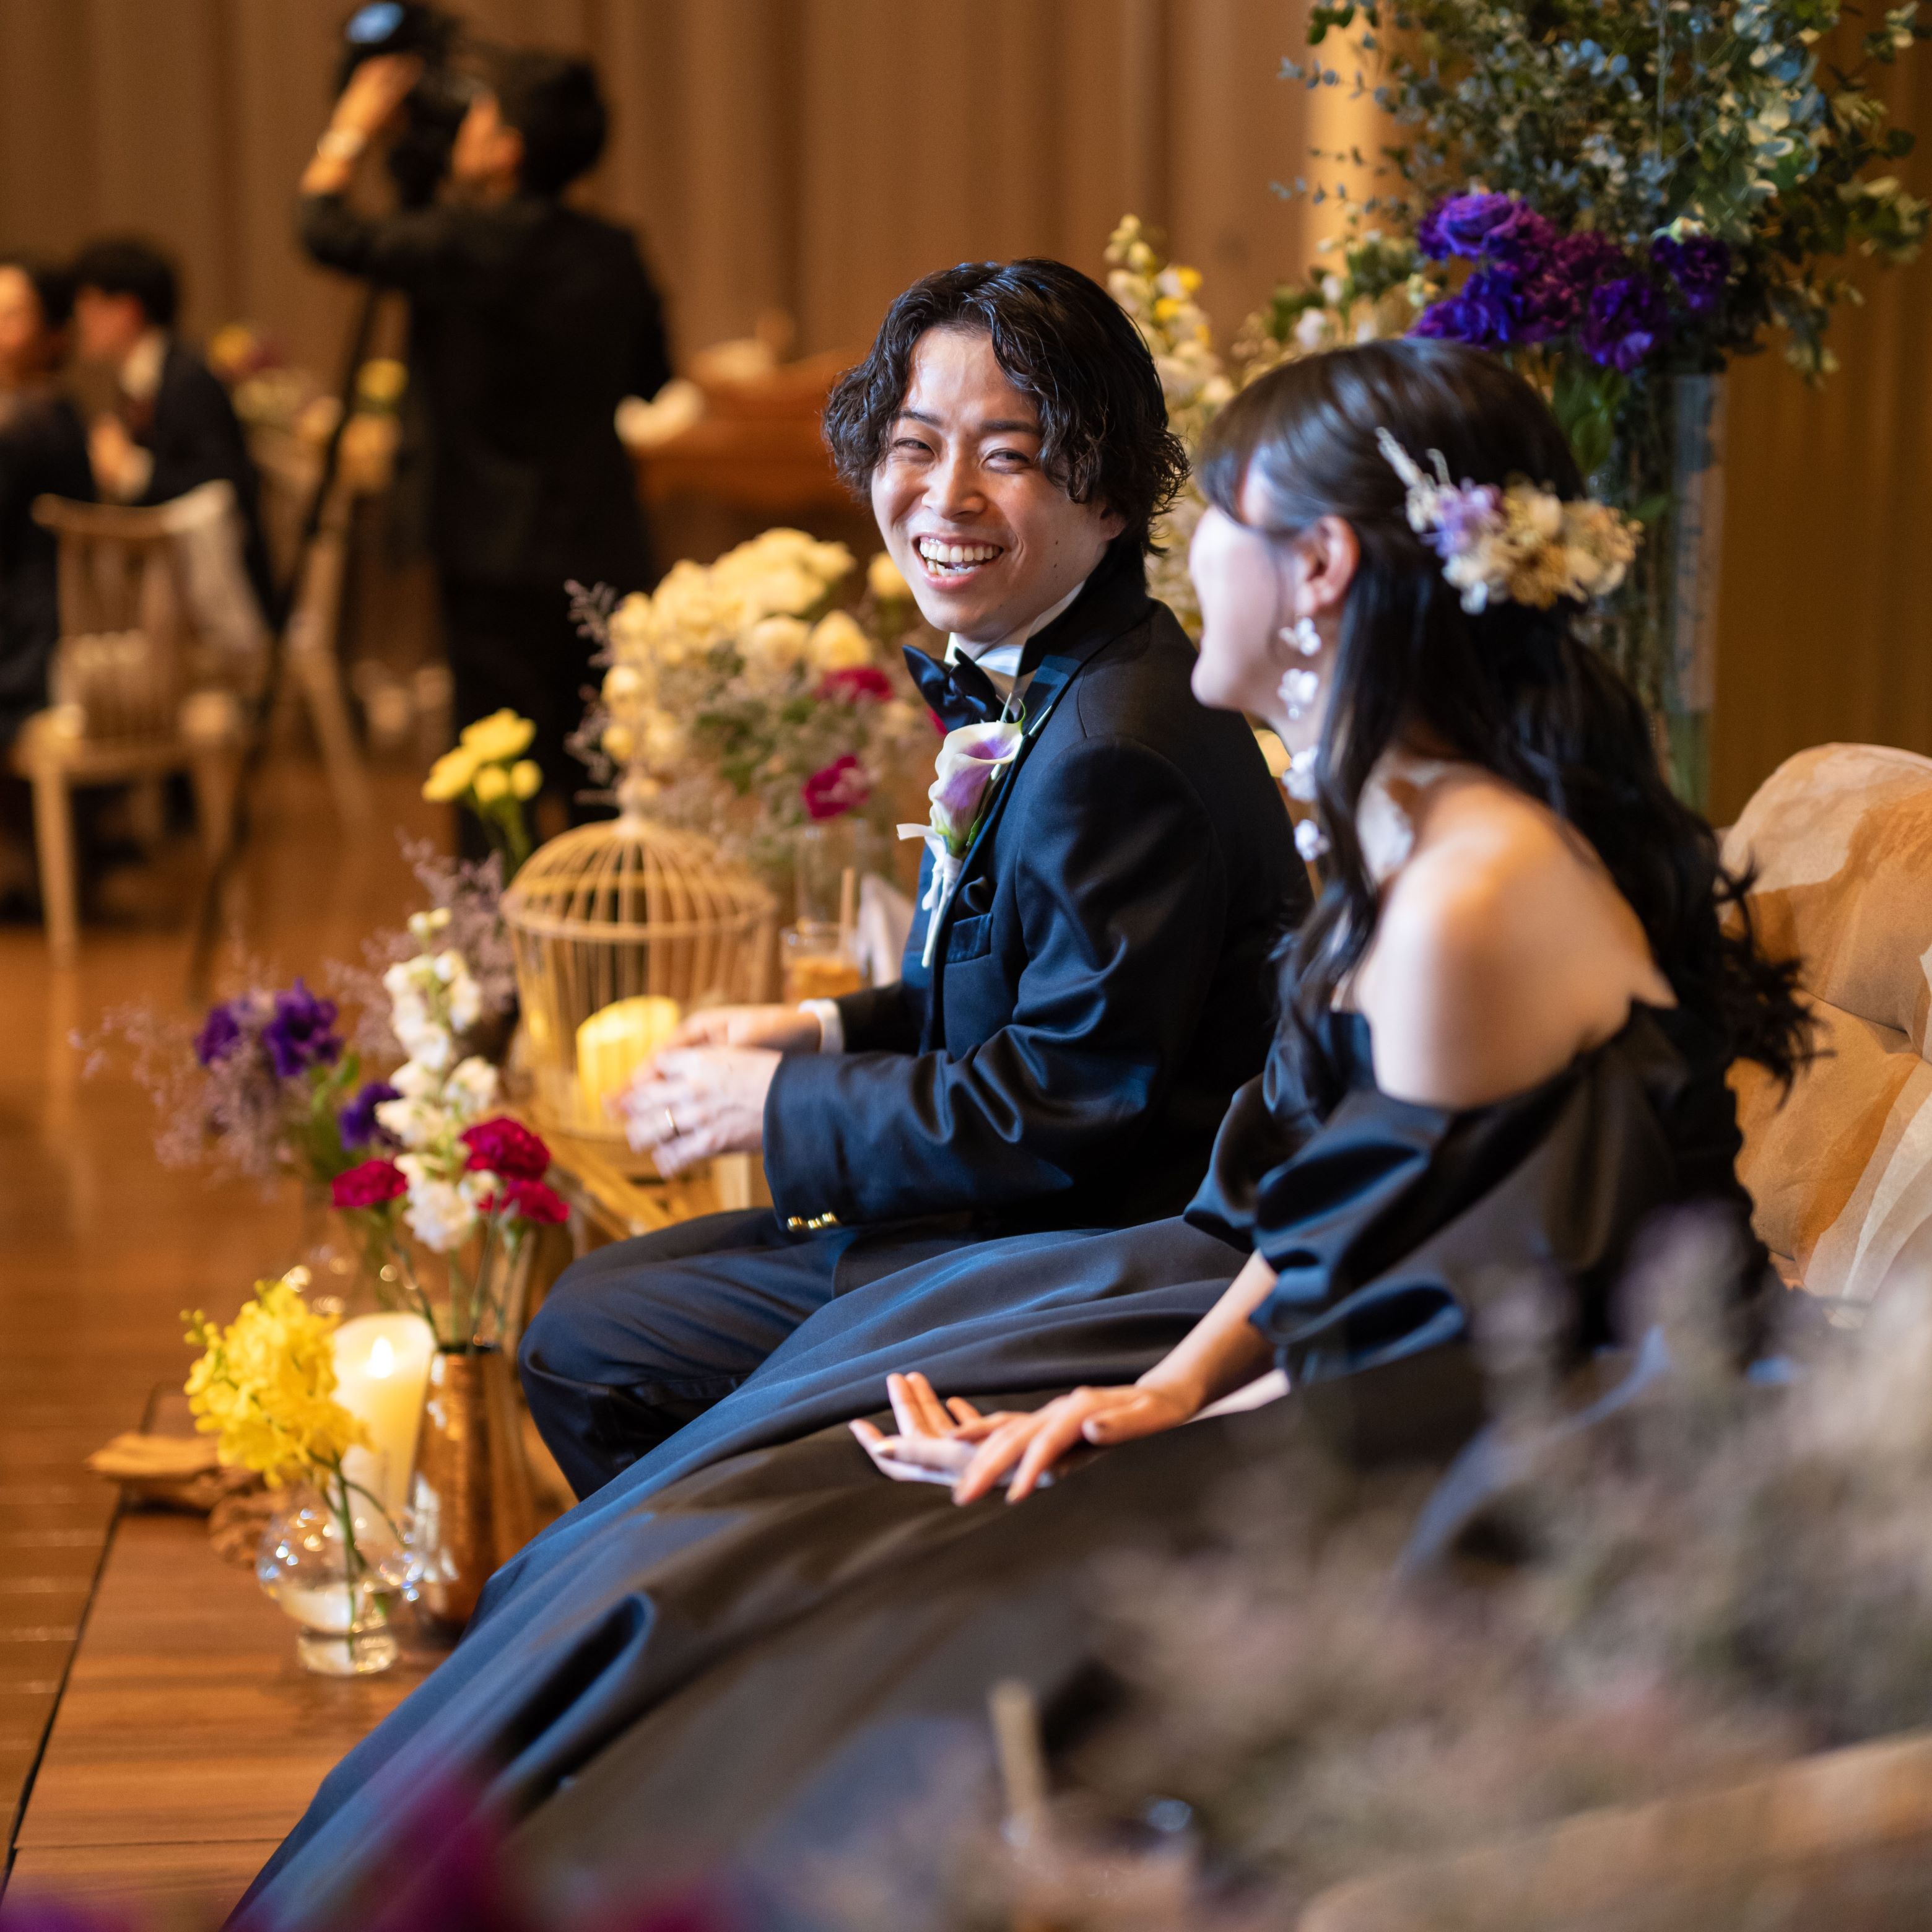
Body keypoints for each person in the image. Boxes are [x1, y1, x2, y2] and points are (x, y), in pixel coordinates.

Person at [235, 339, 1809, 1931]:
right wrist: (1163, 1386)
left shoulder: (1462, 899)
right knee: (714, 1545)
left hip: (1507, 1453)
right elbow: (1339, 1219)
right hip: (1369, 1378)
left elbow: (1417, 1335)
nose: (1189, 555)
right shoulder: (1410, 831)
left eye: (1220, 516)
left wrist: (1155, 1426)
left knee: (826, 1610)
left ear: (1320, 567)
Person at [515, 257, 1307, 1499]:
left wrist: (775, 1105)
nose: (945, 495)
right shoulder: (1069, 672)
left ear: (1110, 494)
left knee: (591, 1342)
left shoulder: (1117, 749)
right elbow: (1015, 996)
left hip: (1081, 1256)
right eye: (914, 444)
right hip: (1017, 1206)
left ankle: (811, 1577)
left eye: (1008, 455)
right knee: (605, 1296)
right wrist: (815, 1029)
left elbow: (1064, 1101)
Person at [298, 47, 672, 836]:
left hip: (487, 549)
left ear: (507, 149)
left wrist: (349, 130)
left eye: (481, 114)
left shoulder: (458, 243)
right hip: (599, 538)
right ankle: (598, 915)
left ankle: (496, 915)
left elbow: (324, 229)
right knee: (599, 775)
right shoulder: (615, 251)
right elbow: (652, 380)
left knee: (495, 776)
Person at [69, 237, 274, 618]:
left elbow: (222, 482)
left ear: (126, 310)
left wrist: (131, 471)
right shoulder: (141, 378)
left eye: (90, 305)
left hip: (226, 592)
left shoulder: (187, 377)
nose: (80, 320)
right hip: (178, 586)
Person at [0, 253, 92, 747]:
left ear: (54, 334)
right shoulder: (58, 412)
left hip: (32, 645)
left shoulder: (29, 424)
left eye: (12, 315)